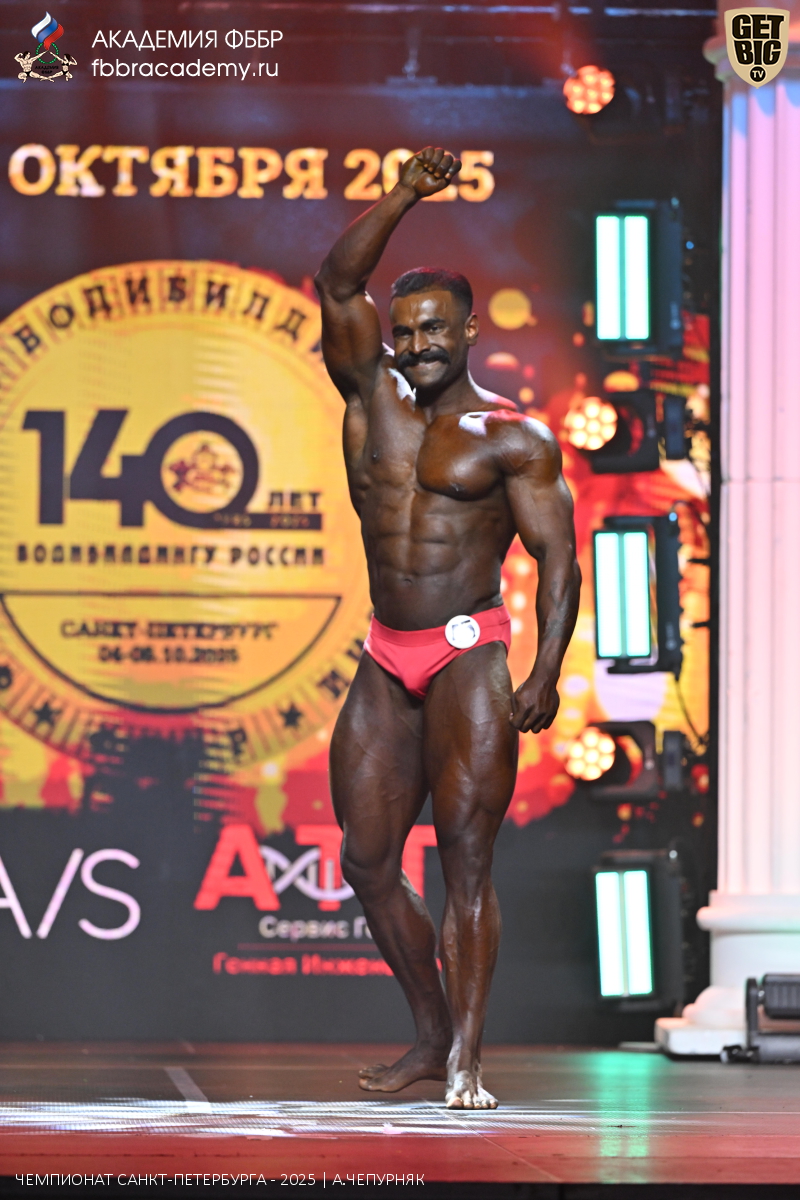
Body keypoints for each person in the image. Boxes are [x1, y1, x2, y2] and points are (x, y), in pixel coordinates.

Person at [315, 146, 581, 1109]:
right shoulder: (371, 398)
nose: (419, 343)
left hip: (471, 653)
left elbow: (559, 558)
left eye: (436, 328)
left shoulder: (515, 437)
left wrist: (544, 671)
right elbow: (336, 282)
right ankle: (431, 1035)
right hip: (388, 655)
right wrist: (402, 195)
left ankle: (467, 1059)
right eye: (406, 329)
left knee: (467, 860)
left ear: (469, 330)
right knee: (366, 860)